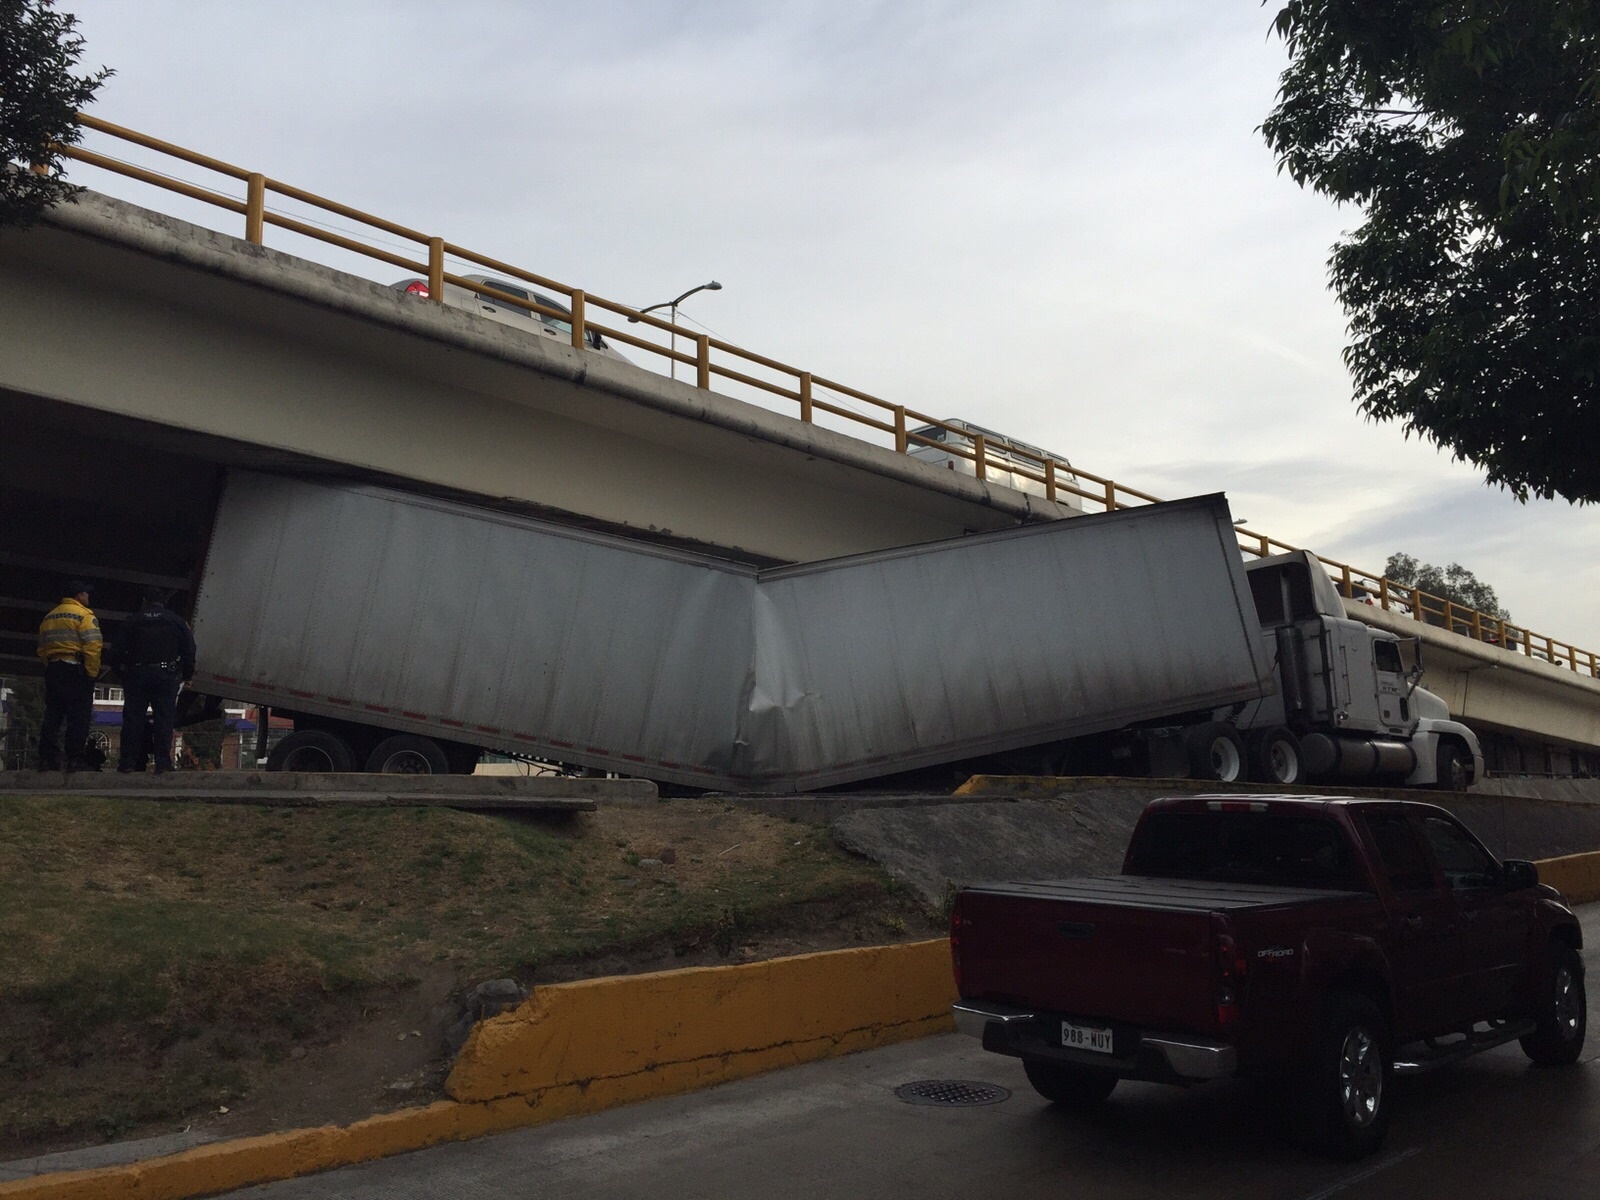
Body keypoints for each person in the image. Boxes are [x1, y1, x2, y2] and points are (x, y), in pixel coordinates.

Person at [108, 587, 197, 774]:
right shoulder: (176, 621)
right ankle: (163, 764)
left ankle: (128, 763)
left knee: (133, 720)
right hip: (165, 676)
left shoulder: (131, 621)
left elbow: (115, 652)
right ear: (163, 602)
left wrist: (121, 674)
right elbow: (189, 650)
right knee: (164, 720)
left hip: (137, 675)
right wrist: (187, 675)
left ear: (144, 601)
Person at [36, 580, 104, 772]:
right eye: (86, 593)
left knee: (53, 715)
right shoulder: (85, 615)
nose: (88, 596)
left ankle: (47, 759)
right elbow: (93, 646)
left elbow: (42, 648)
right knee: (78, 716)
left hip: (54, 669)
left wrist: (50, 665)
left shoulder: (49, 617)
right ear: (79, 596)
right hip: (75, 670)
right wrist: (91, 672)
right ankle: (75, 759)